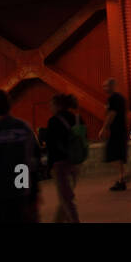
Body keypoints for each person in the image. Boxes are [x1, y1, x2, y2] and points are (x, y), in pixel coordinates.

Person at [0, 88, 41, 223]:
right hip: (21, 181)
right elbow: (33, 157)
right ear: (10, 103)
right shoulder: (24, 127)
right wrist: (32, 190)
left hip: (1, 187)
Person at [46, 93, 81, 223]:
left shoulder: (53, 121)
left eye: (51, 104)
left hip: (60, 163)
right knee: (66, 197)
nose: (50, 107)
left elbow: (52, 145)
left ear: (57, 105)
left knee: (66, 199)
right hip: (75, 162)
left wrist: (49, 166)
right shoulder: (76, 118)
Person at [100, 78, 129, 190]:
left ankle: (121, 178)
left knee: (113, 155)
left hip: (116, 131)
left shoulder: (113, 99)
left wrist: (104, 128)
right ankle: (121, 178)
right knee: (118, 155)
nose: (104, 89)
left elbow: (112, 114)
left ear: (112, 86)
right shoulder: (120, 98)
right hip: (121, 130)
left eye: (106, 86)